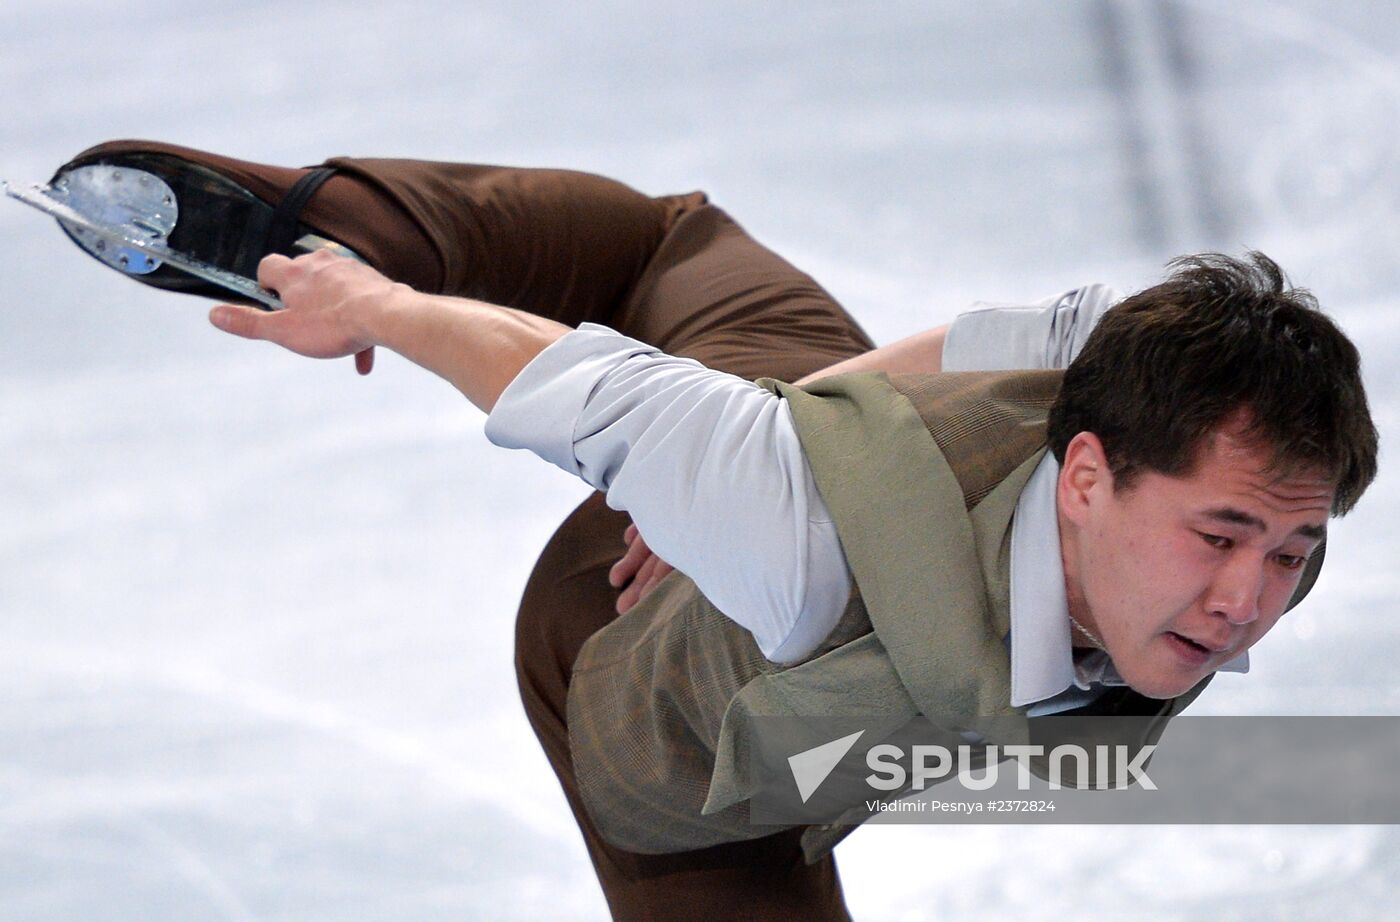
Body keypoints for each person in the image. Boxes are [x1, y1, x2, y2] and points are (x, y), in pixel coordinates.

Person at [55, 142, 1381, 921]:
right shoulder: (798, 537)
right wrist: (374, 307)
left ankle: (764, 407)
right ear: (1087, 474)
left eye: (1290, 552)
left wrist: (795, 411)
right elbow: (584, 391)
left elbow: (1008, 341)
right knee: (657, 358)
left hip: (810, 489)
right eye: (1221, 538)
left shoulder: (1132, 381)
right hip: (643, 676)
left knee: (683, 254)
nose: (1252, 596)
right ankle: (314, 235)